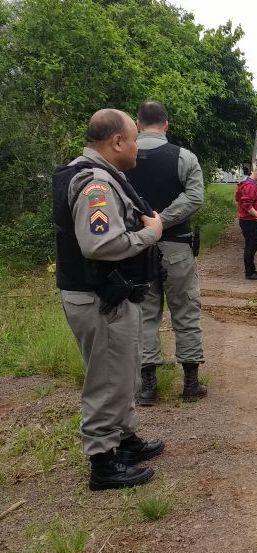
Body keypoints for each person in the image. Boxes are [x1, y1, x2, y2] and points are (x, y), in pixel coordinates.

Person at [53, 109, 165, 490]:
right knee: (106, 378)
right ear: (117, 142)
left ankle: (124, 440)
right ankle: (103, 463)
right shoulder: (96, 185)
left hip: (111, 296)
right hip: (98, 298)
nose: (138, 147)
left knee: (122, 372)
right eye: (134, 139)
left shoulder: (98, 175)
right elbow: (99, 243)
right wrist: (150, 234)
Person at [126, 101, 207, 405]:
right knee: (185, 310)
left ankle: (148, 387)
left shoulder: (124, 157)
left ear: (137, 123)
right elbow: (195, 197)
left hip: (136, 247)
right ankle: (190, 384)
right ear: (166, 124)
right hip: (177, 246)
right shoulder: (184, 157)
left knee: (145, 314)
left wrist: (146, 224)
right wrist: (163, 220)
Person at [235, 164, 257, 280]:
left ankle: (251, 271)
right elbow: (247, 206)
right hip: (248, 221)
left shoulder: (248, 183)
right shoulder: (250, 186)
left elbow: (240, 199)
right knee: (251, 246)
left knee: (253, 244)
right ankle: (250, 273)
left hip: (247, 220)